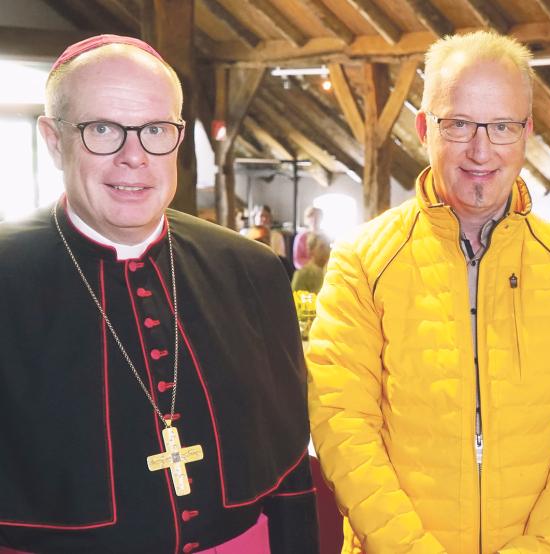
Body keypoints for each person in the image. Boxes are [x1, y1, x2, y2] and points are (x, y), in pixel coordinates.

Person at [307, 31, 550, 553]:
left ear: (526, 131)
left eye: (501, 126)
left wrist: (545, 546)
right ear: (423, 127)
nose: (481, 150)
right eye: (458, 124)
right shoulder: (362, 260)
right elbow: (343, 423)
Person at [0, 35, 318, 553]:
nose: (135, 156)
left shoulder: (252, 271)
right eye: (102, 129)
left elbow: (287, 472)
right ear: (54, 140)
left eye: (155, 130)